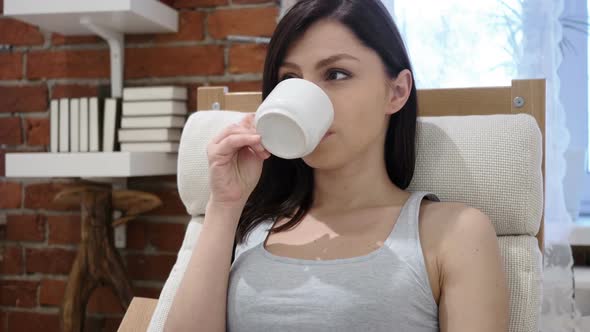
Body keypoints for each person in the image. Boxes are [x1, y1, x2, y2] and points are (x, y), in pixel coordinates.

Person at [164, 0, 509, 331]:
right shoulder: (247, 224)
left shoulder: (454, 232)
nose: (309, 97)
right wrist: (225, 205)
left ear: (397, 91)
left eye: (336, 73)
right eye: (290, 81)